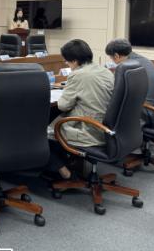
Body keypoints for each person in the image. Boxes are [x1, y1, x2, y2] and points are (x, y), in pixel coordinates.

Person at [44, 39, 114, 180]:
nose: (66, 63)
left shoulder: (78, 74)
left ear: (75, 61)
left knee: (41, 135)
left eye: (67, 61)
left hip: (89, 131)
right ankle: (69, 163)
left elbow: (63, 105)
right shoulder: (104, 70)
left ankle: (65, 172)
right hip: (107, 129)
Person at [105, 38, 154, 104]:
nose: (113, 61)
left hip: (146, 106)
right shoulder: (142, 59)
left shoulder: (128, 67)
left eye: (111, 58)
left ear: (116, 56)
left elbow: (118, 92)